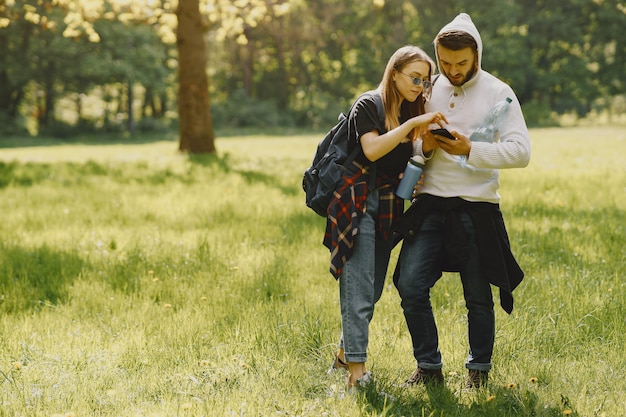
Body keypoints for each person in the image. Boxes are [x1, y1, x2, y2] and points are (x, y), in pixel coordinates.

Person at [393, 13, 531, 388]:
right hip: (429, 204)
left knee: (477, 296)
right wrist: (425, 145)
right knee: (409, 284)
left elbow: (521, 152)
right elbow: (410, 142)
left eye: (462, 63)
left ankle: (478, 371)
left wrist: (472, 149)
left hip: (476, 206)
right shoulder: (428, 87)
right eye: (445, 62)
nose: (452, 71)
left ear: (477, 56)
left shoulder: (498, 91)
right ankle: (428, 366)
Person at [324, 45, 448, 389]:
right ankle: (357, 376)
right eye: (414, 78)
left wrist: (424, 155)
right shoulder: (369, 105)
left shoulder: (411, 109)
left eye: (425, 81)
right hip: (357, 203)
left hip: (389, 208)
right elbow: (372, 149)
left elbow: (408, 158)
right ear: (394, 73)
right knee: (360, 289)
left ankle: (342, 356)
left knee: (372, 288)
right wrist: (413, 123)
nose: (420, 86)